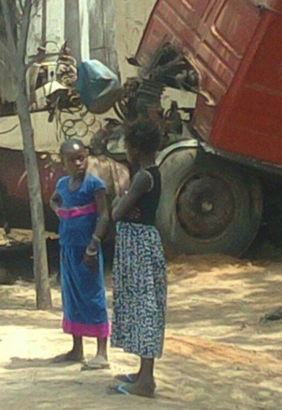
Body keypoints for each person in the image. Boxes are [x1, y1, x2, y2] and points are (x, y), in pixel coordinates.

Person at [110, 119, 165, 398]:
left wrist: (119, 202)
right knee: (143, 306)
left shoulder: (143, 177)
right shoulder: (148, 173)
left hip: (139, 246)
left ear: (134, 147)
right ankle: (144, 374)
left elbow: (117, 212)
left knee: (145, 309)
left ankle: (146, 381)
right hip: (141, 244)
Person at [49, 138, 111, 369]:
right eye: (72, 160)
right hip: (68, 248)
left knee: (93, 295)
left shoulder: (94, 185)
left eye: (81, 158)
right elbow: (53, 200)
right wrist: (59, 210)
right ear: (63, 163)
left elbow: (104, 215)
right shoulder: (64, 185)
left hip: (88, 250)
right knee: (72, 296)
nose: (78, 163)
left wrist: (94, 245)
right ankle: (77, 349)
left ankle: (102, 352)